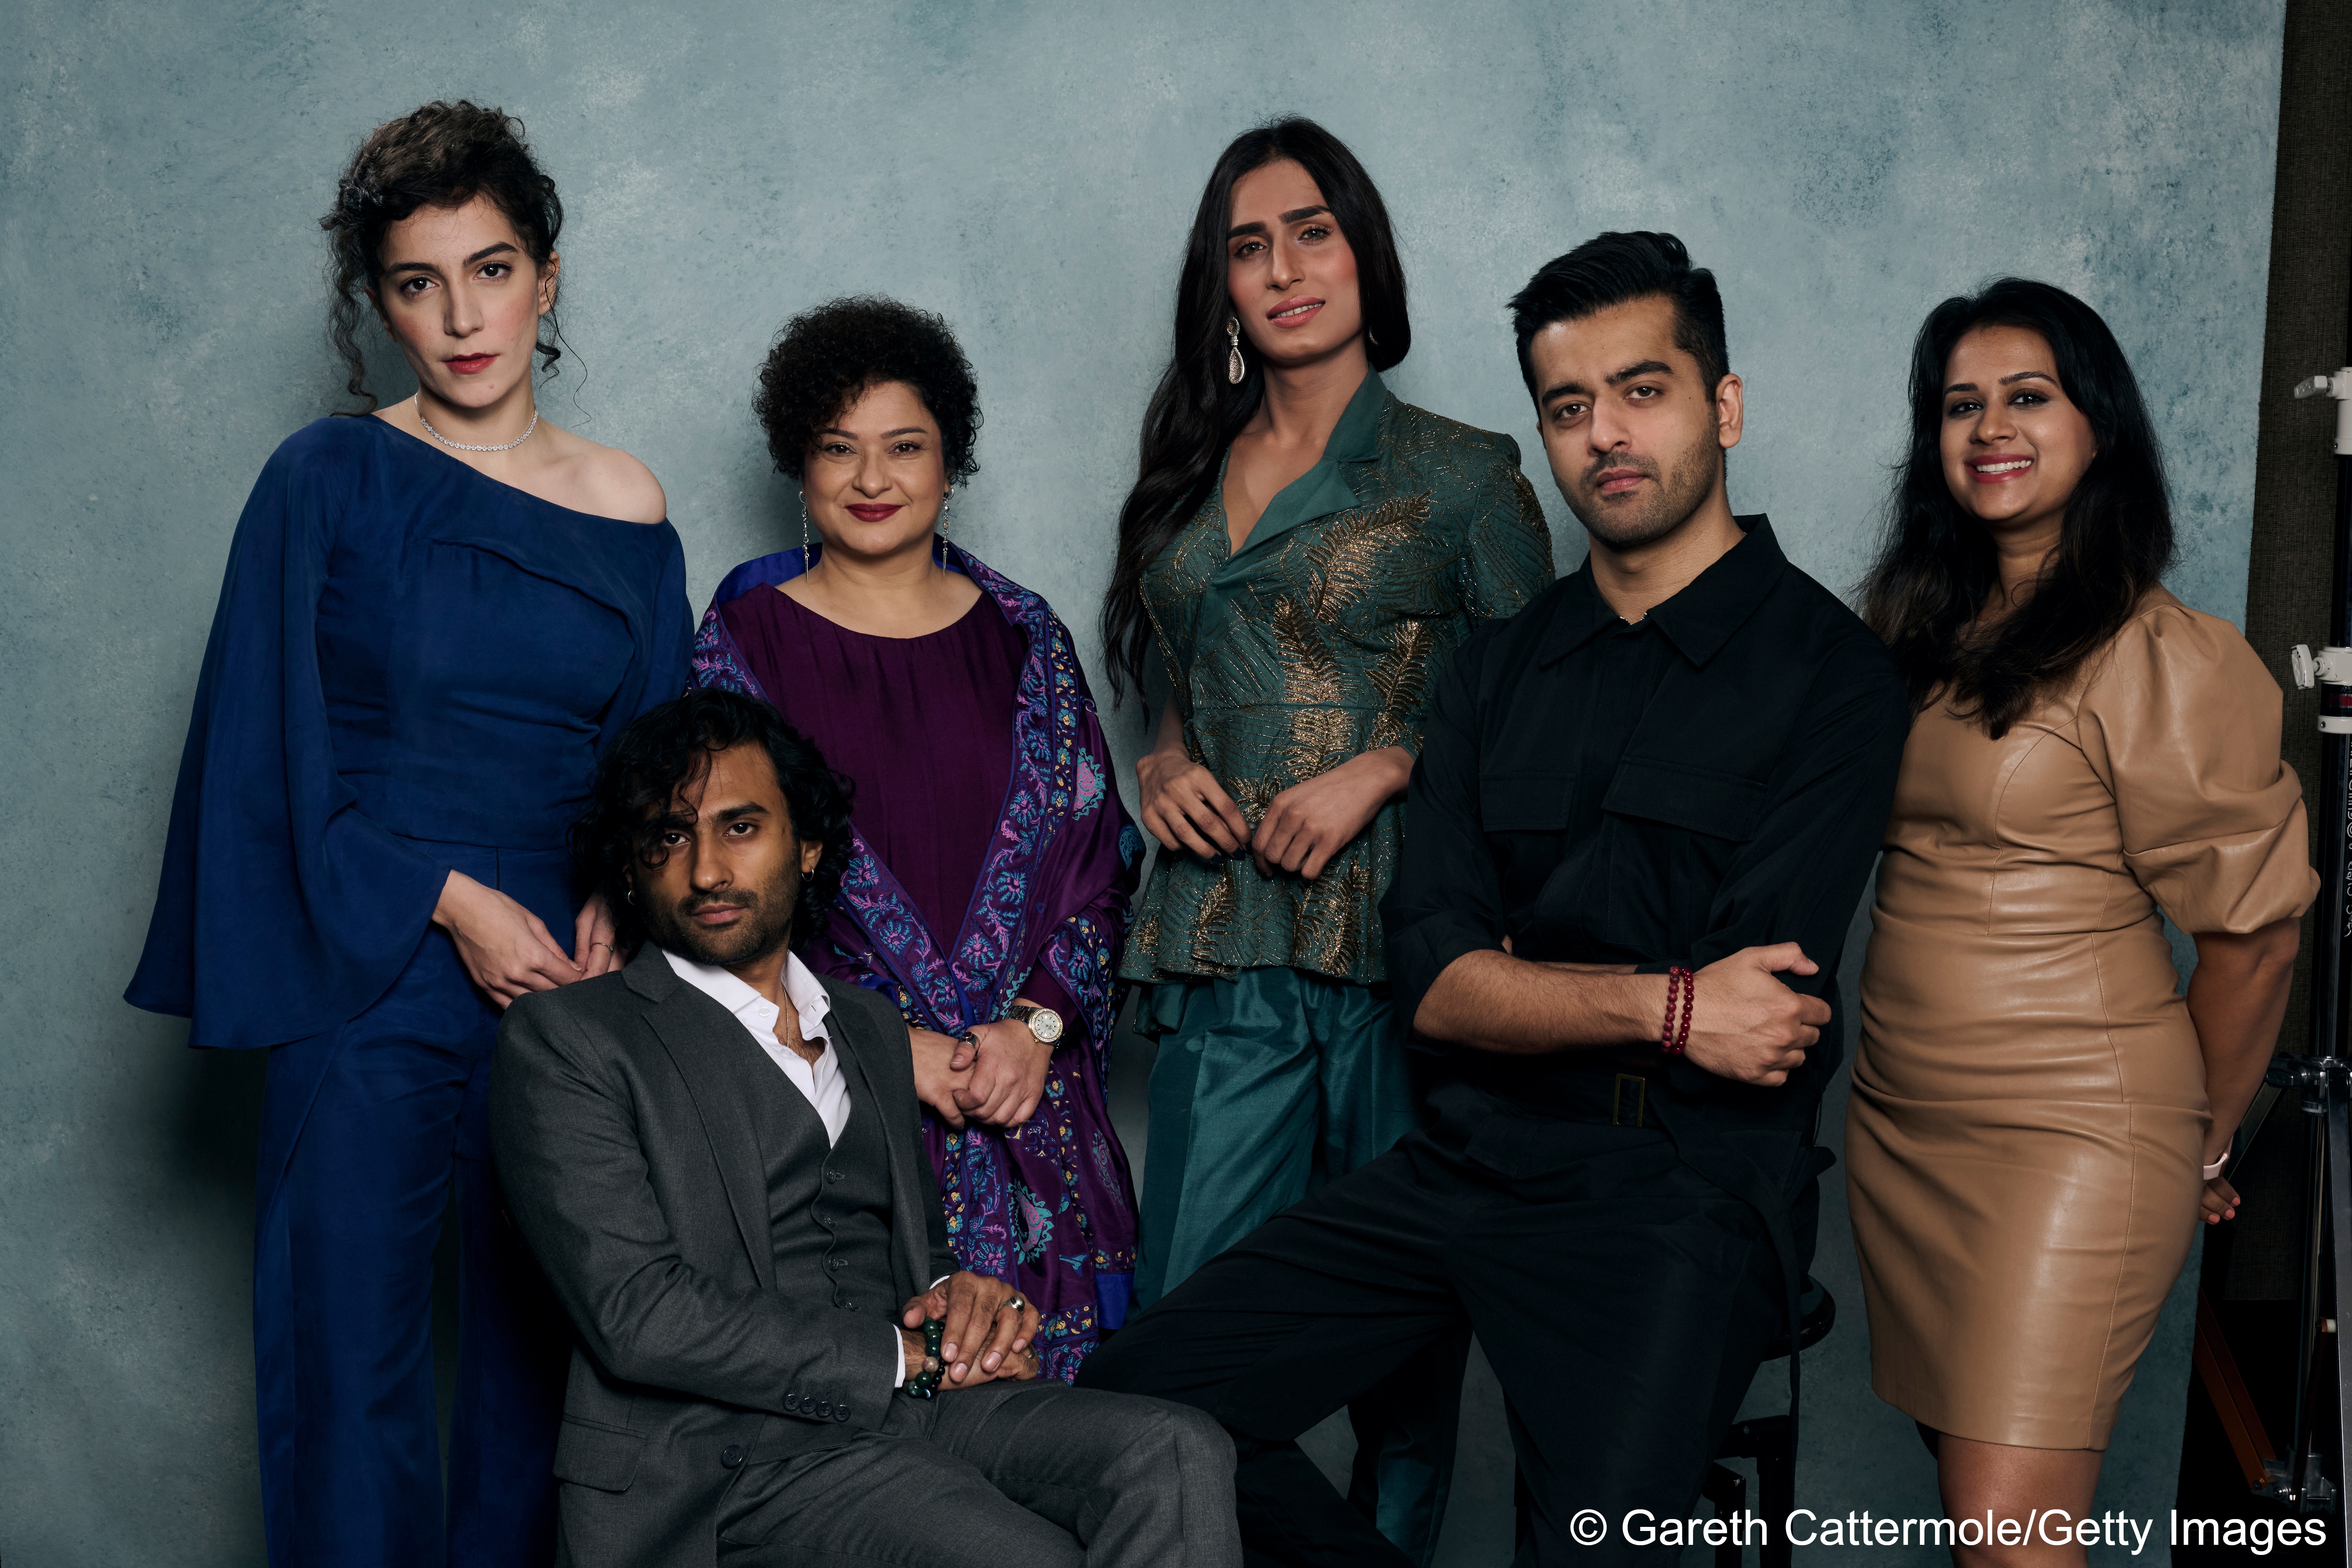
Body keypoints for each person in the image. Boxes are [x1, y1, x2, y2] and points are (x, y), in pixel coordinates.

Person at [1080, 231, 1913, 1567]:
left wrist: (1556, 992)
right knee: (1138, 1405)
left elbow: (1759, 1021)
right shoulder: (1494, 671)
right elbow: (1444, 981)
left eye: (1642, 390)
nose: (1604, 436)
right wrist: (1664, 998)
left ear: (1725, 404)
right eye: (1568, 405)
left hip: (1678, 1194)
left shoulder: (1834, 678)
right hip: (1468, 1158)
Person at [122, 102, 691, 1567]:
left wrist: (625, 904)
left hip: (572, 979)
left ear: (546, 278)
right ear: (374, 300)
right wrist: (445, 897)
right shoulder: (324, 479)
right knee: (347, 1358)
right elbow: (260, 756)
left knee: (545, 1367)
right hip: (369, 949)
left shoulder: (628, 500)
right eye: (417, 281)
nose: (460, 316)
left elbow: (660, 765)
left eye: (491, 270)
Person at [1095, 115, 1553, 1562]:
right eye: (1248, 245)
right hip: (1227, 947)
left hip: (1409, 960)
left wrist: (1387, 765)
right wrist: (1161, 759)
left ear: (1365, 251)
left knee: (1405, 1370)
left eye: (1312, 231)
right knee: (1181, 1359)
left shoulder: (1465, 473)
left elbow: (1541, 726)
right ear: (1218, 288)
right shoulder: (1184, 468)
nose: (1283, 267)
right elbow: (1181, 679)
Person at [491, 689, 1239, 1568]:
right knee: (1024, 1554)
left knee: (1181, 1451)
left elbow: (913, 1255)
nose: (704, 871)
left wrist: (965, 1299)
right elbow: (638, 1314)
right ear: (631, 867)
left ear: (806, 845)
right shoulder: (571, 1038)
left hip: (918, 1411)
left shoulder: (868, 1026)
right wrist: (897, 1352)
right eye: (668, 837)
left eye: (740, 828)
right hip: (731, 1459)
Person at [1847, 279, 2313, 1561]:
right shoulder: (1912, 631)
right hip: (1903, 1122)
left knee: (2010, 1541)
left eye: (2027, 395)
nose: (1988, 426)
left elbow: (2257, 936)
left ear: (2098, 423)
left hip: (2071, 1129)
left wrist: (2195, 1146)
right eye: (1959, 404)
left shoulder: (2162, 653)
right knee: (1979, 1517)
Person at [690, 297, 1143, 1379]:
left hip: (1033, 1108)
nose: (871, 478)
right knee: (896, 1491)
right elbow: (713, 901)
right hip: (839, 1119)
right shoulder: (739, 650)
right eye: (836, 449)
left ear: (951, 461)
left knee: (1074, 1466)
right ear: (796, 465)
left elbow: (1099, 866)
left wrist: (1034, 1029)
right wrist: (891, 1048)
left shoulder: (1026, 636)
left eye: (904, 447)